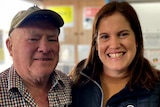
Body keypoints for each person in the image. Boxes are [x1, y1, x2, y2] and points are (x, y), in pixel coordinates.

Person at [71, 1, 160, 107]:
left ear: (136, 39)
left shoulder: (157, 88)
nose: (114, 45)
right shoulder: (77, 83)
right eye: (105, 36)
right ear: (96, 44)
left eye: (123, 34)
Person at [0, 5, 72, 107]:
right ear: (10, 46)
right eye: (33, 39)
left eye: (52, 39)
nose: (45, 48)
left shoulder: (69, 86)